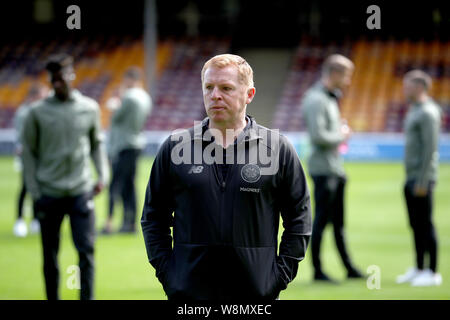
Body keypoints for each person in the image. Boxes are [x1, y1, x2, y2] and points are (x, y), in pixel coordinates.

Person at [141, 54, 312, 300]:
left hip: (255, 293)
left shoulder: (277, 148)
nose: (215, 95)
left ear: (249, 94)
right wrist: (169, 274)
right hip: (189, 293)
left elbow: (299, 218)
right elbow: (153, 217)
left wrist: (278, 277)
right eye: (208, 87)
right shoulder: (176, 147)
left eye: (226, 88)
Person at [21, 54, 109, 300]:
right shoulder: (36, 113)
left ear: (72, 76)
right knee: (50, 254)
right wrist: (34, 190)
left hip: (81, 191)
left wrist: (102, 174)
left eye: (61, 77)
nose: (57, 82)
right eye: (53, 79)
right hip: (48, 193)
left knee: (87, 251)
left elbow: (96, 144)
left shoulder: (89, 108)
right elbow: (29, 153)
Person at [302, 54, 363, 282]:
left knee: (338, 223)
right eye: (346, 76)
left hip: (335, 168)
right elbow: (318, 136)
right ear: (335, 73)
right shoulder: (316, 99)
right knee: (321, 221)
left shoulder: (328, 98)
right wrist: (342, 134)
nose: (348, 81)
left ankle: (349, 268)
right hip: (323, 169)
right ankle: (318, 271)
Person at [396, 70, 442, 287]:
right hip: (411, 176)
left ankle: (433, 272)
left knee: (426, 224)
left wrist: (423, 181)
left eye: (408, 86)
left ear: (419, 87)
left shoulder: (428, 112)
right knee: (415, 224)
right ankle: (419, 267)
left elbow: (430, 149)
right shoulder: (415, 109)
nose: (404, 89)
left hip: (422, 179)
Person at [102, 67, 152, 234]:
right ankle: (129, 223)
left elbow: (116, 118)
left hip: (123, 145)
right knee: (129, 185)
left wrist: (116, 103)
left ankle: (108, 223)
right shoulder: (145, 97)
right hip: (136, 142)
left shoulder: (129, 97)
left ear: (130, 79)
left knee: (115, 184)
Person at [13, 83, 49, 237]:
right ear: (35, 96)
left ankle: (36, 219)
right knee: (25, 187)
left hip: (39, 156)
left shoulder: (40, 111)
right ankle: (20, 220)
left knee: (38, 188)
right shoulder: (24, 112)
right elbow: (23, 136)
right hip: (28, 157)